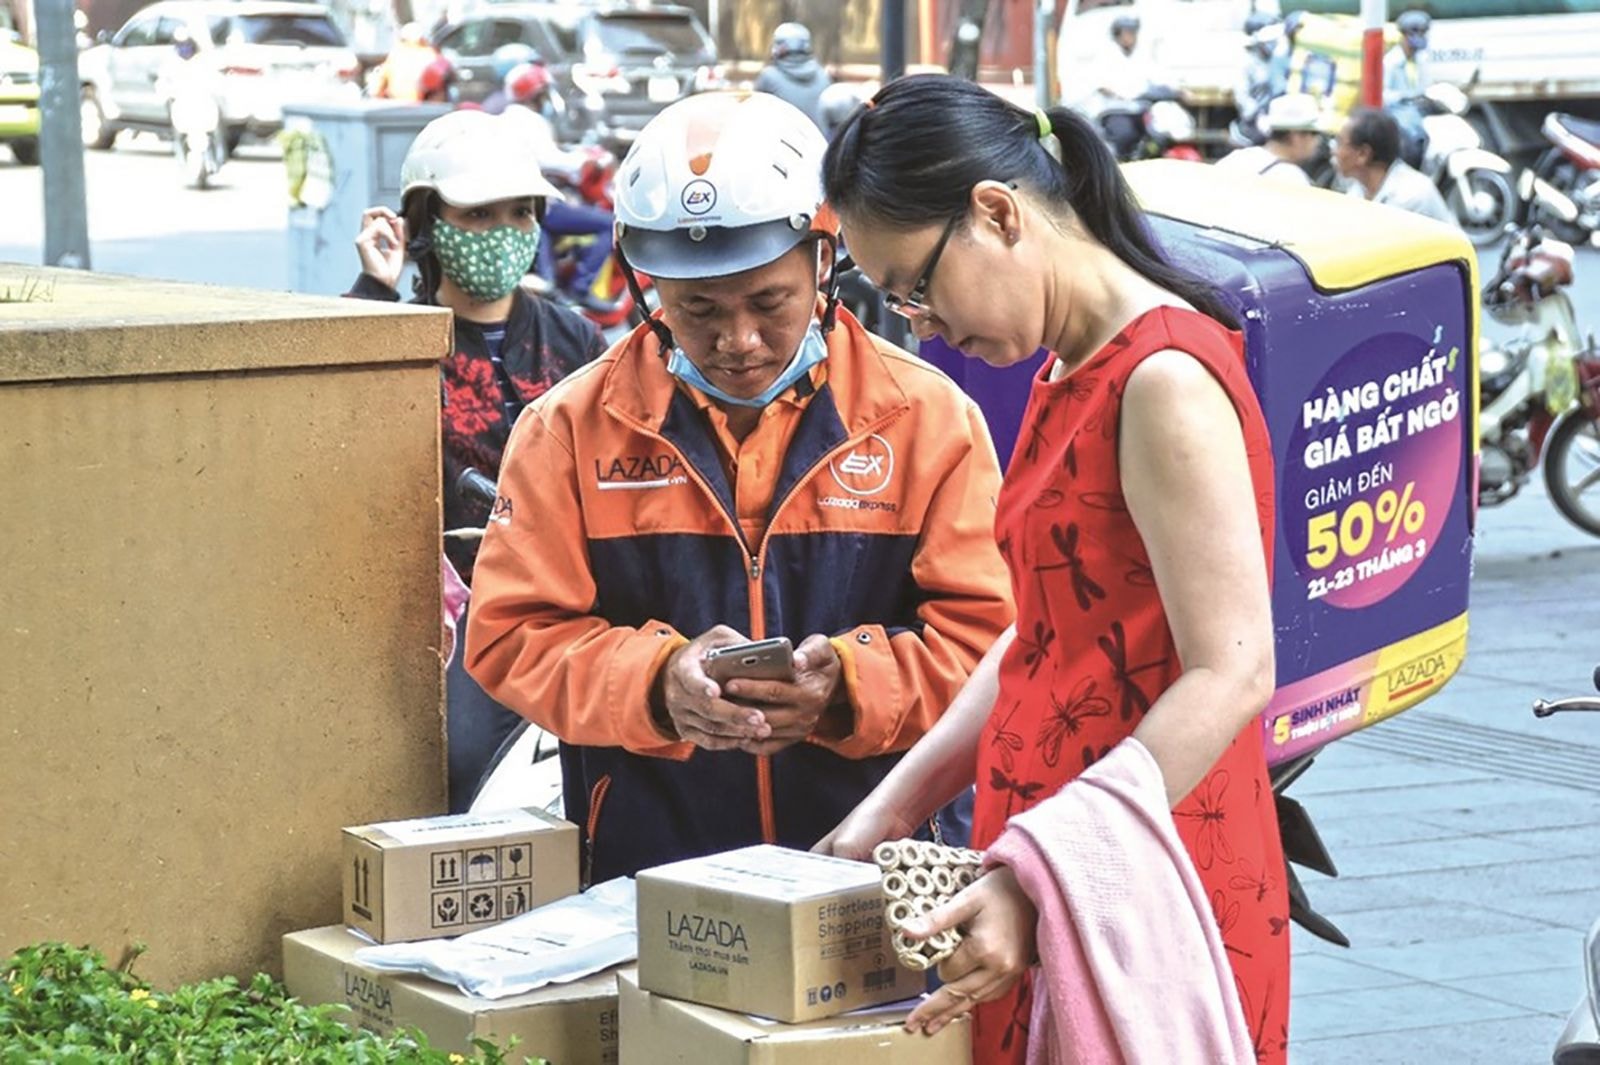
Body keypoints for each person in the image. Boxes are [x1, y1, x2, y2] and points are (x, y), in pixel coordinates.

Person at [815, 74, 1289, 1062]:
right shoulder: (1065, 367)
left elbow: (1233, 669)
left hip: (1141, 879)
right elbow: (1041, 639)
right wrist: (885, 811)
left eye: (915, 284)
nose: (918, 324)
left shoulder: (1160, 380)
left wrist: (1048, 874)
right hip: (1043, 867)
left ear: (995, 213)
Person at [464, 91, 1014, 883]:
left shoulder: (929, 421)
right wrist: (657, 683)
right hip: (650, 875)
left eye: (769, 302)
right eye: (698, 310)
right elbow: (510, 636)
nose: (739, 341)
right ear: (649, 287)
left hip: (883, 871)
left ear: (824, 264)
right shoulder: (568, 429)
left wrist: (850, 688)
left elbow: (994, 643)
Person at [347, 109, 606, 811]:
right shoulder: (394, 338)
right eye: (480, 214)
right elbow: (335, 417)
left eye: (521, 213)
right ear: (428, 221)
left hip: (577, 593)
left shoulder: (572, 335)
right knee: (467, 764)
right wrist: (375, 289)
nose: (505, 232)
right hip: (456, 606)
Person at [496, 66, 619, 313]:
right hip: (537, 203)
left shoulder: (503, 120)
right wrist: (585, 159)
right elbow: (550, 160)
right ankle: (581, 287)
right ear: (537, 94)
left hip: (516, 205)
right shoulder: (529, 122)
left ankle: (553, 281)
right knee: (610, 223)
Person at [1334, 107, 1454, 224]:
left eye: (1339, 143)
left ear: (1363, 154)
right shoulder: (1358, 189)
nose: (1334, 151)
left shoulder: (1411, 197)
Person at [1216, 92, 1322, 185]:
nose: (1318, 141)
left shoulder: (1237, 158)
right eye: (1314, 134)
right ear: (1295, 136)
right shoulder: (1294, 179)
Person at [754, 21, 833, 130]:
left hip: (782, 145)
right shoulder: (823, 76)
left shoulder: (768, 77)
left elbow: (754, 117)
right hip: (821, 145)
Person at [1233, 13, 1282, 142]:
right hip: (1255, 126)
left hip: (1278, 119)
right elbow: (1242, 97)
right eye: (1270, 42)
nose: (1273, 44)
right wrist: (1258, 116)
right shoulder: (1247, 63)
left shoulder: (1278, 58)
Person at [370, 22, 437, 102]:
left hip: (400, 106)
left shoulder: (396, 54)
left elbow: (377, 88)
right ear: (423, 39)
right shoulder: (430, 54)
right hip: (427, 107)